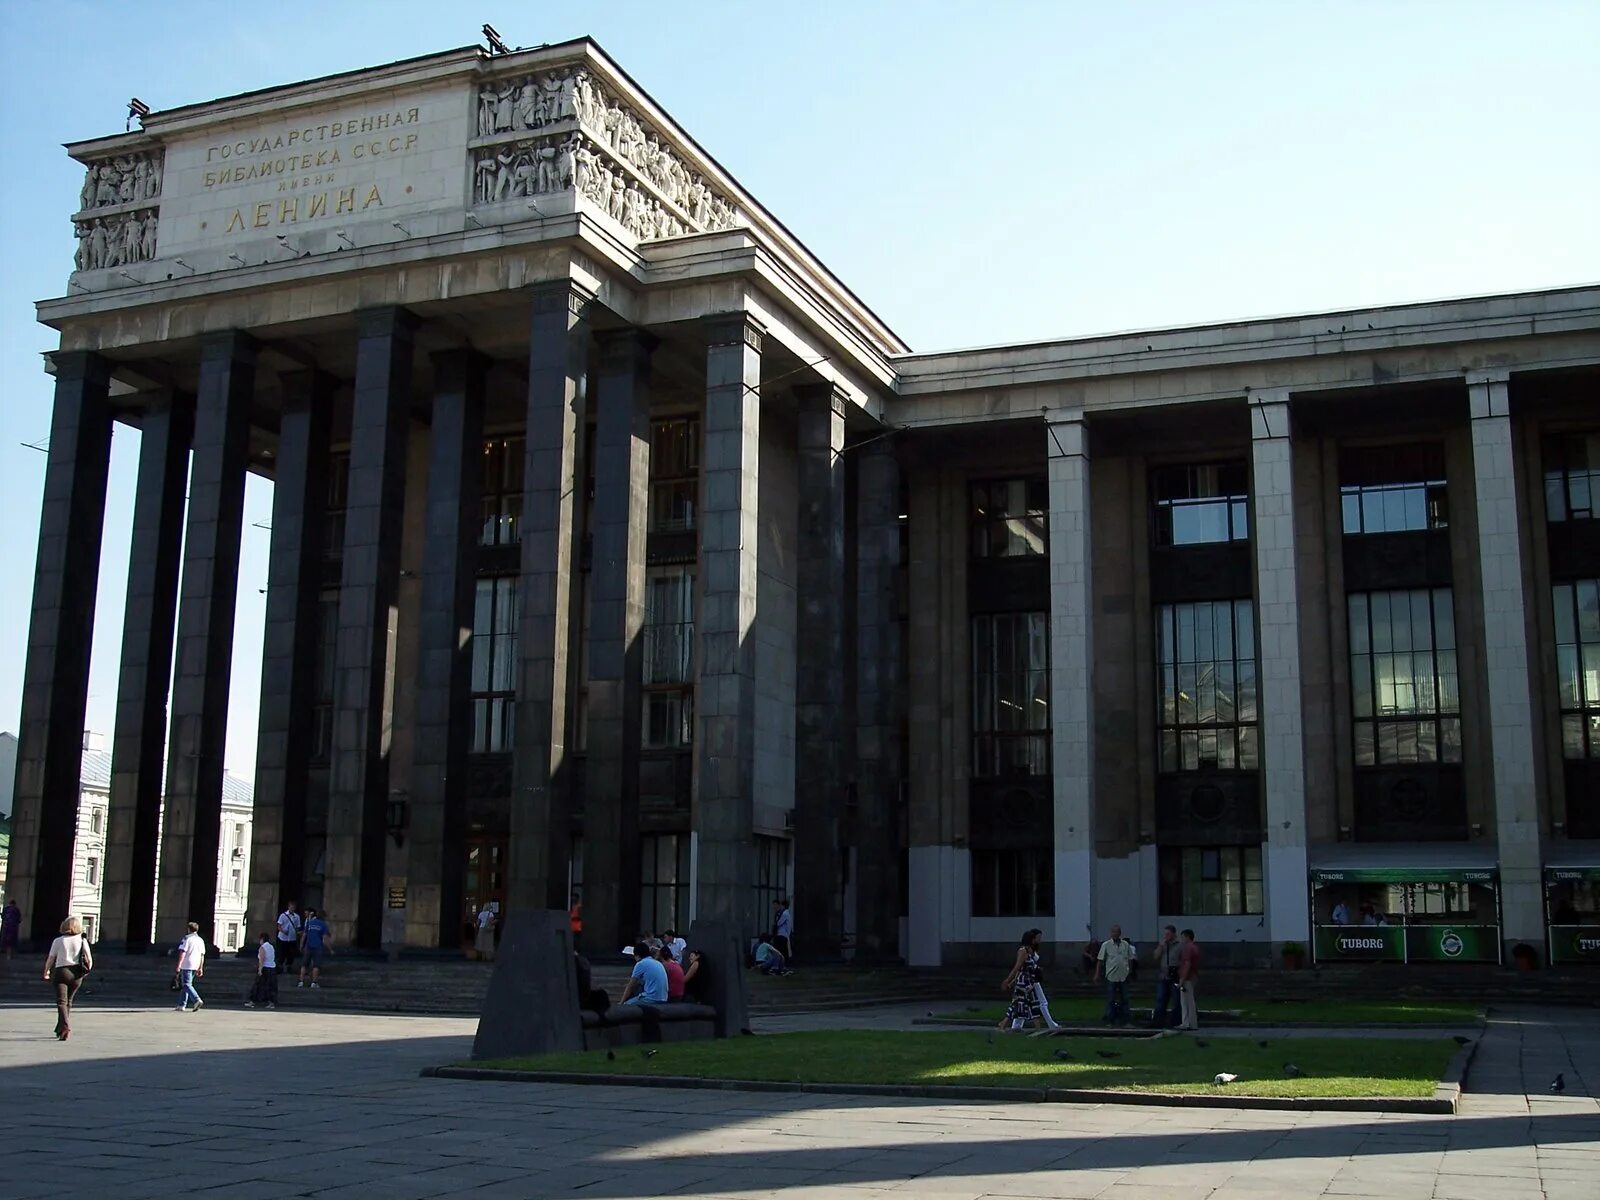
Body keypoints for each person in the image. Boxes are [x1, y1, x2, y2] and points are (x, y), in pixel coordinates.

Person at [999, 928, 1060, 1033]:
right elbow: (1018, 967)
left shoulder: (1030, 951)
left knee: (1028, 1003)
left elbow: (1026, 967)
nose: (1037, 940)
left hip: (1029, 982)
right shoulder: (1023, 951)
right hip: (1024, 983)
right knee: (1022, 1003)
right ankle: (1006, 1025)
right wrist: (1008, 981)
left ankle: (1032, 1028)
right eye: (1034, 938)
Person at [43, 916, 93, 1040]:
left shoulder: (58, 941)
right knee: (68, 1002)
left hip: (61, 971)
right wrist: (86, 972)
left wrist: (46, 971)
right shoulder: (82, 940)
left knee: (61, 1002)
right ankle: (61, 1028)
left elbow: (51, 958)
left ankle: (65, 1027)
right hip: (77, 973)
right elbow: (89, 959)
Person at [1094, 924, 1136, 1026]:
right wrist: (1097, 974)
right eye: (1113, 932)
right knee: (1111, 999)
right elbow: (1100, 960)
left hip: (1123, 976)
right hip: (1111, 976)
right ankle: (1110, 1021)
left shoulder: (1125, 945)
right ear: (1111, 933)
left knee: (1125, 999)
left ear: (1120, 933)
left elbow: (1130, 959)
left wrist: (1129, 971)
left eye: (1117, 932)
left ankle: (1126, 1021)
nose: (1115, 934)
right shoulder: (1106, 945)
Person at [1148, 925, 1182, 1029]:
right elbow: (1155, 957)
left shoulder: (1180, 945)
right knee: (1160, 999)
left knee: (1176, 1000)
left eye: (1168, 934)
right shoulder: (1163, 945)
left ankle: (1175, 1022)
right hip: (1163, 976)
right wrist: (1160, 947)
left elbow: (1183, 960)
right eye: (1165, 934)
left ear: (1173, 934)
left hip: (1175, 976)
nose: (1166, 936)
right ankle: (1158, 1021)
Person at [620, 940, 668, 1006]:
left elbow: (630, 986)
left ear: (637, 955)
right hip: (664, 998)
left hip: (651, 998)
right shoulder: (657, 962)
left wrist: (621, 1002)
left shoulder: (641, 964)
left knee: (627, 1005)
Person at [176, 921, 207, 1012]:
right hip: (196, 964)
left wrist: (179, 965)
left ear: (189, 929)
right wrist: (201, 967)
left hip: (187, 964)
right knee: (187, 984)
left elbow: (183, 952)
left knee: (186, 984)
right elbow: (202, 955)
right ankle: (182, 1004)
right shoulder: (200, 940)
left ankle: (196, 999)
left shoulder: (187, 939)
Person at [298, 907, 331, 988]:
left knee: (304, 965)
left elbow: (304, 936)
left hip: (308, 946)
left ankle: (301, 982)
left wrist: (301, 946)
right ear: (324, 917)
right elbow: (325, 939)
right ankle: (314, 982)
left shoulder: (310, 923)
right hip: (317, 947)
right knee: (316, 965)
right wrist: (330, 949)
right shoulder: (323, 925)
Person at [244, 933, 277, 1009]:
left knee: (258, 985)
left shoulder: (262, 947)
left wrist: (260, 969)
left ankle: (253, 1001)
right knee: (270, 986)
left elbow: (262, 959)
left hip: (265, 968)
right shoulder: (271, 947)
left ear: (262, 939)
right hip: (272, 968)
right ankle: (271, 1002)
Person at [1177, 928, 1202, 1031]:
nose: (1182, 939)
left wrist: (1182, 979)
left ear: (1187, 937)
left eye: (1183, 937)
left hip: (1187, 978)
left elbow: (1187, 964)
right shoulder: (1195, 948)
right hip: (1193, 976)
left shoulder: (1187, 948)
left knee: (1185, 1001)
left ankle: (1186, 1022)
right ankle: (1192, 1023)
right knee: (1191, 1001)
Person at [276, 901, 302, 975]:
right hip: (283, 938)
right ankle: (279, 967)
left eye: (293, 907)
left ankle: (289, 967)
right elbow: (279, 926)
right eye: (291, 907)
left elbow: (297, 927)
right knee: (282, 953)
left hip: (292, 938)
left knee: (290, 954)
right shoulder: (283, 916)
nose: (292, 908)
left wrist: (298, 934)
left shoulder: (297, 917)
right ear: (288, 907)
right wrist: (283, 931)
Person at [772, 898, 794, 964]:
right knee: (784, 950)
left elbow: (778, 923)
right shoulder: (787, 913)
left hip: (782, 934)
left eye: (781, 905)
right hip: (785, 934)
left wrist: (775, 924)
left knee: (782, 950)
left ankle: (783, 963)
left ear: (783, 906)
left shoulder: (784, 914)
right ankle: (785, 963)